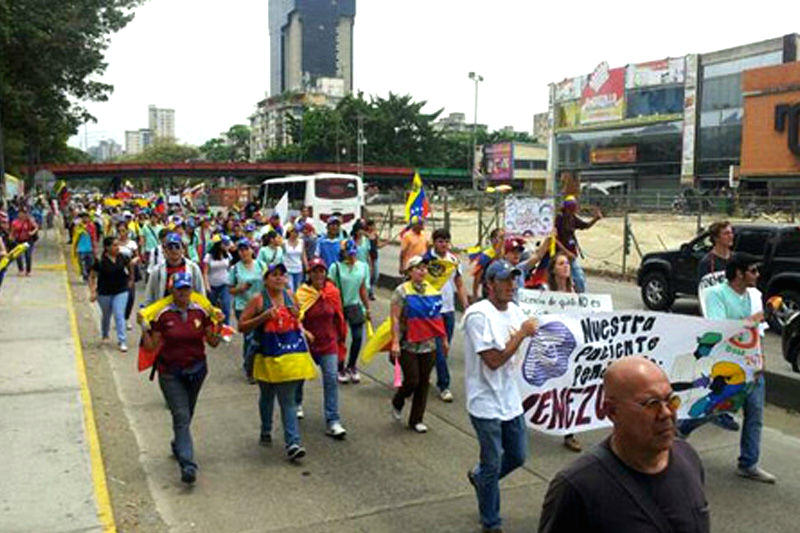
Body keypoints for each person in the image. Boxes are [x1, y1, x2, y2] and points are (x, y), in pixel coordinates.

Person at [538, 357, 709, 533]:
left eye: (670, 400)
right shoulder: (577, 487)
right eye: (651, 404)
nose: (666, 413)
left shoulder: (688, 457)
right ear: (612, 411)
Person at [677, 253, 775, 483]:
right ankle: (680, 431)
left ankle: (749, 463)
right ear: (739, 273)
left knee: (755, 414)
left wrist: (760, 358)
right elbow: (719, 328)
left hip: (751, 364)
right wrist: (752, 320)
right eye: (753, 270)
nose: (757, 275)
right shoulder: (715, 295)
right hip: (725, 365)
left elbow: (757, 332)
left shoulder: (754, 295)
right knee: (714, 407)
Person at [463, 259, 537, 533]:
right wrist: (522, 334)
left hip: (510, 398)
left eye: (514, 279)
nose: (511, 285)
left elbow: (530, 337)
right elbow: (493, 360)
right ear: (489, 284)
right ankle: (491, 522)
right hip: (485, 402)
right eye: (505, 280)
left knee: (517, 456)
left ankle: (481, 478)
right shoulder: (477, 315)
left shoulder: (516, 310)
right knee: (493, 462)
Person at [139, 271, 222, 484]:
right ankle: (187, 464)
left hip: (196, 370)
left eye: (187, 289)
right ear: (171, 291)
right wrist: (143, 327)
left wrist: (218, 325)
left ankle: (178, 443)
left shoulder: (200, 312)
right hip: (170, 372)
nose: (184, 293)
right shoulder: (163, 315)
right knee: (181, 414)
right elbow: (151, 346)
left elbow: (212, 342)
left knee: (187, 413)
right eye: (179, 289)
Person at [238, 263, 316, 462]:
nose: (279, 278)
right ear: (266, 279)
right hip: (266, 356)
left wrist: (302, 328)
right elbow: (242, 326)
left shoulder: (291, 295)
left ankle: (293, 443)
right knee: (267, 395)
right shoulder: (258, 300)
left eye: (282, 275)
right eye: (274, 275)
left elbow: (297, 318)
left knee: (288, 400)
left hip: (289, 357)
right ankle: (266, 429)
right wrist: (263, 317)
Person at [390, 255, 447, 433]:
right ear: (409, 271)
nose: (422, 271)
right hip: (408, 343)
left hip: (428, 344)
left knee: (424, 382)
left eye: (424, 268)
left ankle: (416, 420)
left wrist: (443, 339)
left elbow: (437, 318)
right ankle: (398, 401)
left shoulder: (432, 291)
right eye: (418, 268)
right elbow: (395, 318)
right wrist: (395, 342)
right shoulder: (402, 291)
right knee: (412, 380)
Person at [694, 220, 739, 432]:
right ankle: (712, 408)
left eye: (731, 233)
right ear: (717, 237)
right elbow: (703, 293)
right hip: (717, 323)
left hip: (736, 322)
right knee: (719, 365)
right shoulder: (708, 262)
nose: (731, 236)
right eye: (727, 233)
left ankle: (725, 409)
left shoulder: (736, 260)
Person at [296, 257, 348, 439]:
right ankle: (297, 403)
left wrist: (341, 337)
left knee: (331, 379)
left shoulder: (332, 292)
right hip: (307, 345)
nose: (318, 274)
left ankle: (333, 420)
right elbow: (295, 319)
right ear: (309, 274)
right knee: (299, 378)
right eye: (315, 271)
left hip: (329, 343)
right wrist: (303, 332)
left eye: (321, 271)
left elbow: (339, 316)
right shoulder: (302, 294)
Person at [541, 251, 583, 453]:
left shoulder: (576, 291)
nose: (566, 266)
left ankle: (570, 432)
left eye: (567, 263)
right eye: (560, 263)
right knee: (546, 388)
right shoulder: (543, 292)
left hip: (573, 350)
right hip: (551, 348)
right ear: (553, 269)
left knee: (570, 391)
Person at [425, 228, 469, 402]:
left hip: (449, 310)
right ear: (434, 242)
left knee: (444, 348)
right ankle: (444, 385)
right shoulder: (426, 259)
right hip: (431, 310)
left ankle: (425, 373)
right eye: (440, 241)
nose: (443, 244)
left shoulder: (453, 261)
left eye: (445, 241)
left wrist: (465, 303)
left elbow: (459, 283)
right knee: (440, 349)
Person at [328, 239, 371, 383]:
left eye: (354, 253)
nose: (352, 257)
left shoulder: (362, 267)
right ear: (343, 253)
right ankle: (340, 367)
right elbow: (330, 288)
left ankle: (352, 365)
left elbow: (362, 288)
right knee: (340, 338)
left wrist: (367, 307)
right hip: (339, 306)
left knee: (358, 337)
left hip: (355, 305)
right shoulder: (336, 268)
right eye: (349, 253)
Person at [229, 238, 265, 382]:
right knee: (249, 338)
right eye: (241, 250)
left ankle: (254, 364)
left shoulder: (261, 265)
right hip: (242, 307)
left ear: (252, 250)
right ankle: (249, 368)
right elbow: (230, 289)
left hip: (260, 306)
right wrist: (240, 288)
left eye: (246, 249)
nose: (244, 252)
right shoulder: (235, 269)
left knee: (259, 338)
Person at [89, 236, 133, 352]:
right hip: (104, 292)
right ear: (107, 247)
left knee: (119, 314)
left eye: (117, 245)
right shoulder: (100, 261)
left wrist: (130, 280)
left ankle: (122, 340)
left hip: (121, 290)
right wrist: (93, 291)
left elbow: (130, 267)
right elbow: (92, 276)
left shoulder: (123, 258)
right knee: (106, 315)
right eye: (114, 245)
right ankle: (105, 334)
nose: (117, 248)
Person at [554, 195, 602, 293]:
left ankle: (581, 299)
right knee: (560, 280)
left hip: (571, 255)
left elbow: (585, 226)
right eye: (572, 206)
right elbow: (554, 239)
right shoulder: (559, 218)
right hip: (560, 255)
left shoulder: (572, 218)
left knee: (579, 279)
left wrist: (596, 219)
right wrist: (566, 252)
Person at [144, 232, 205, 305]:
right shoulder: (157, 271)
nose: (174, 250)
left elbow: (201, 292)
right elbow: (149, 296)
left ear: (183, 249)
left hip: (189, 312)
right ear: (164, 250)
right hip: (164, 313)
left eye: (177, 246)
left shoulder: (193, 268)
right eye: (170, 247)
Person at [202, 235, 233, 325]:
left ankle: (226, 327)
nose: (227, 246)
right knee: (212, 309)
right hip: (212, 285)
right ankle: (213, 328)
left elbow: (229, 269)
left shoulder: (227, 255)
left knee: (226, 306)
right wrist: (207, 285)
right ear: (219, 245)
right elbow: (205, 272)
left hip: (225, 284)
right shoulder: (209, 256)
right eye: (225, 244)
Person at [116, 220, 140, 331]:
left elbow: (138, 256)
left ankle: (126, 317)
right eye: (119, 231)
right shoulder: (115, 244)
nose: (122, 233)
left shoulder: (132, 244)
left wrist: (134, 260)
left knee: (130, 297)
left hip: (130, 273)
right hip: (118, 274)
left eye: (123, 231)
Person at [471, 228, 505, 302]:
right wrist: (475, 294)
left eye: (504, 237)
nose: (503, 240)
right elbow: (477, 276)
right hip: (489, 291)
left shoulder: (507, 254)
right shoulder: (485, 256)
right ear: (493, 240)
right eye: (501, 237)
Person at [10, 207, 38, 276]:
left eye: (23, 213)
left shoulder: (29, 221)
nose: (21, 215)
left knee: (28, 255)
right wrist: (11, 237)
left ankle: (28, 271)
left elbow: (36, 227)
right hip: (18, 241)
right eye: (20, 213)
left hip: (28, 240)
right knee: (18, 256)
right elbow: (12, 231)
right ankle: (21, 270)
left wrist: (32, 232)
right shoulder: (15, 222)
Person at [72, 212, 97, 282]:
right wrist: (74, 249)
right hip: (80, 249)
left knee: (90, 264)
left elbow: (94, 238)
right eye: (83, 217)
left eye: (86, 217)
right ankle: (85, 276)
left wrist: (95, 248)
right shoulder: (78, 227)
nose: (85, 219)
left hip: (89, 249)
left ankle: (89, 276)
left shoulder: (92, 227)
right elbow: (75, 238)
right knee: (82, 265)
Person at [282, 224, 306, 291]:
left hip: (298, 268)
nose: (295, 234)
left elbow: (303, 255)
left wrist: (307, 268)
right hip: (288, 268)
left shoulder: (301, 242)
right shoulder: (284, 243)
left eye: (297, 232)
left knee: (298, 288)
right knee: (290, 288)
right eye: (293, 232)